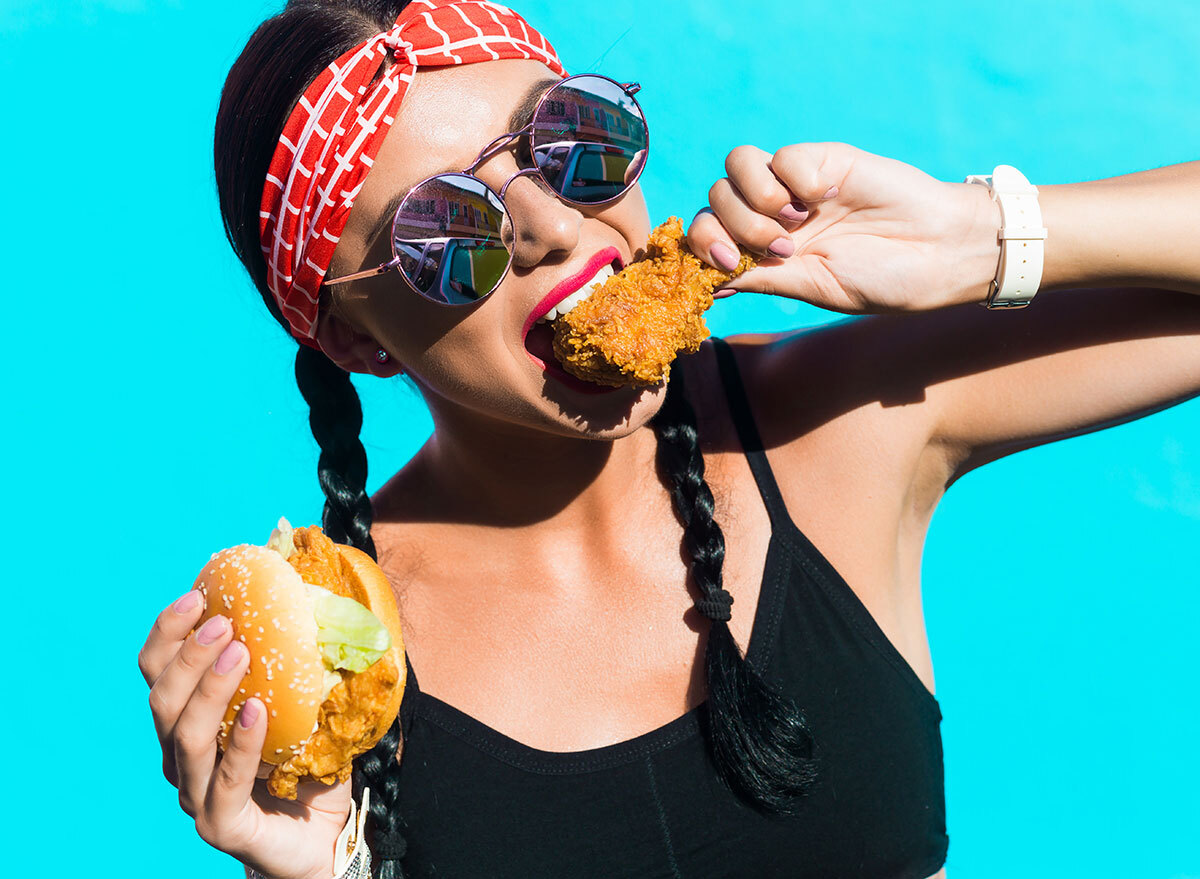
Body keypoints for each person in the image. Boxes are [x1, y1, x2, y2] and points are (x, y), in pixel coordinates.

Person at [136, 1, 1200, 877]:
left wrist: (981, 239)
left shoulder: (835, 426)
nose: (554, 223)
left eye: (570, 143)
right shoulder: (343, 671)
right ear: (356, 337)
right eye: (446, 232)